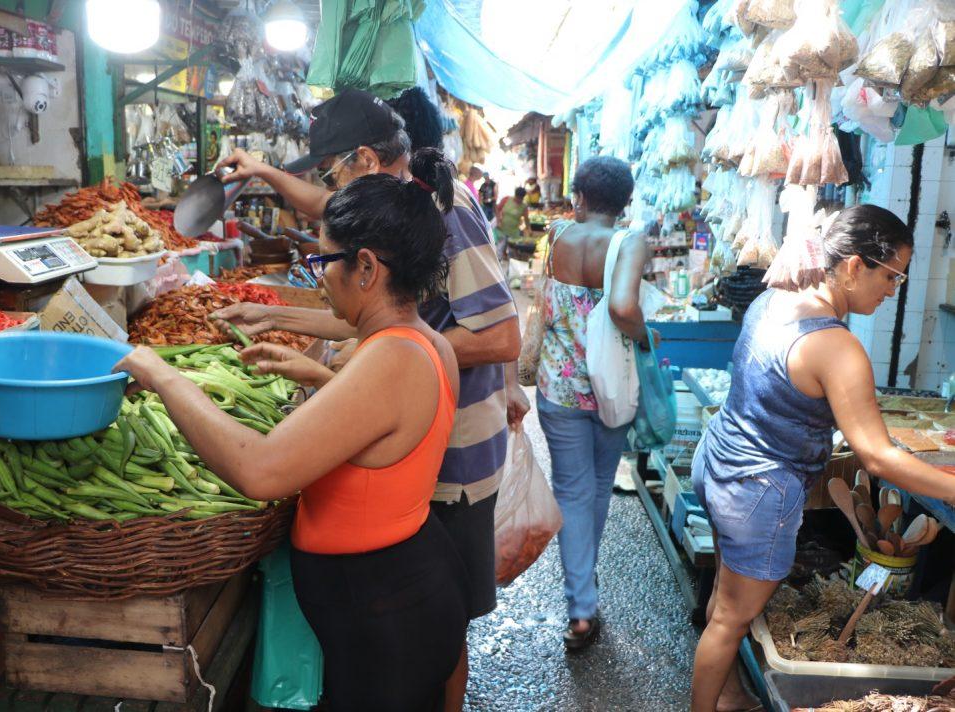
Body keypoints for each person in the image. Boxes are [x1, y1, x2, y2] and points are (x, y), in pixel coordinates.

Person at [214, 89, 524, 712]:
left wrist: (378, 373)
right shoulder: (397, 256)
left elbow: (500, 333)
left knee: (429, 648)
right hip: (410, 451)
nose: (329, 187)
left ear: (363, 158)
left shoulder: (443, 219)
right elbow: (371, 308)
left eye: (333, 172)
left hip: (448, 457)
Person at [115, 170, 468, 711]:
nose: (319, 277)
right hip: (405, 581)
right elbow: (391, 436)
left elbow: (260, 470)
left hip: (384, 605)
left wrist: (164, 377)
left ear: (367, 267)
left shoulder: (391, 359)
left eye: (324, 262)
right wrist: (320, 378)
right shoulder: (427, 342)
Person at [691, 204, 955, 712]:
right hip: (756, 491)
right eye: (892, 275)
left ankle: (725, 694)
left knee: (724, 603)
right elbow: (877, 457)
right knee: (730, 619)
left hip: (718, 461)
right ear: (855, 265)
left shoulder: (774, 299)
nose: (893, 290)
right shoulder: (837, 346)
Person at [534, 156, 653, 650]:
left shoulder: (559, 235)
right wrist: (647, 336)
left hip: (558, 389)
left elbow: (542, 301)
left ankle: (581, 599)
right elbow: (624, 307)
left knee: (573, 491)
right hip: (610, 390)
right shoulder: (628, 241)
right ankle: (583, 596)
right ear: (625, 202)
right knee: (597, 487)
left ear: (579, 197)